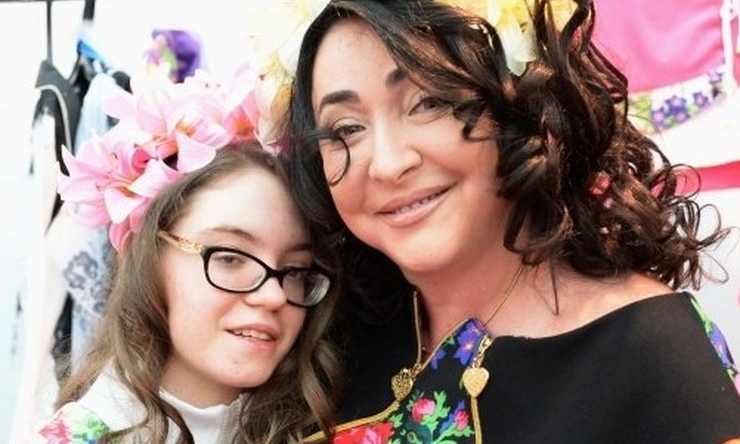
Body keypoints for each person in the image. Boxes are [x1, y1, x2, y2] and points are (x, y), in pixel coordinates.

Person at [287, 0, 740, 442]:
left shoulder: (651, 352)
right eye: (346, 129)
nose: (387, 164)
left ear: (519, 104)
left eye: (428, 102)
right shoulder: (320, 336)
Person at [28, 69, 341, 444]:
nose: (275, 296)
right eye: (230, 257)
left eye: (295, 271)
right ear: (143, 256)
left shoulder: (327, 425)